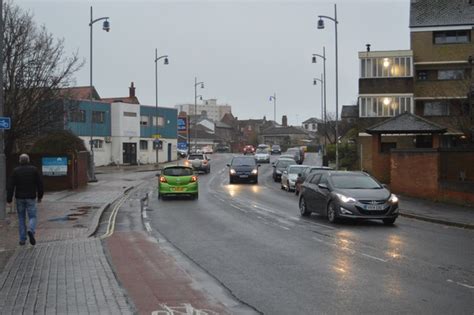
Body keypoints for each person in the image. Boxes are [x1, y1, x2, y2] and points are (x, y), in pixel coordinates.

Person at [7, 154, 44, 246]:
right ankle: (31, 230)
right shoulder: (34, 170)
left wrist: (9, 198)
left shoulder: (15, 171)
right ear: (28, 160)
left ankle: (22, 240)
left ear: (20, 161)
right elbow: (40, 184)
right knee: (32, 216)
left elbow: (11, 186)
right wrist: (40, 196)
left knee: (21, 218)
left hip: (19, 198)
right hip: (31, 197)